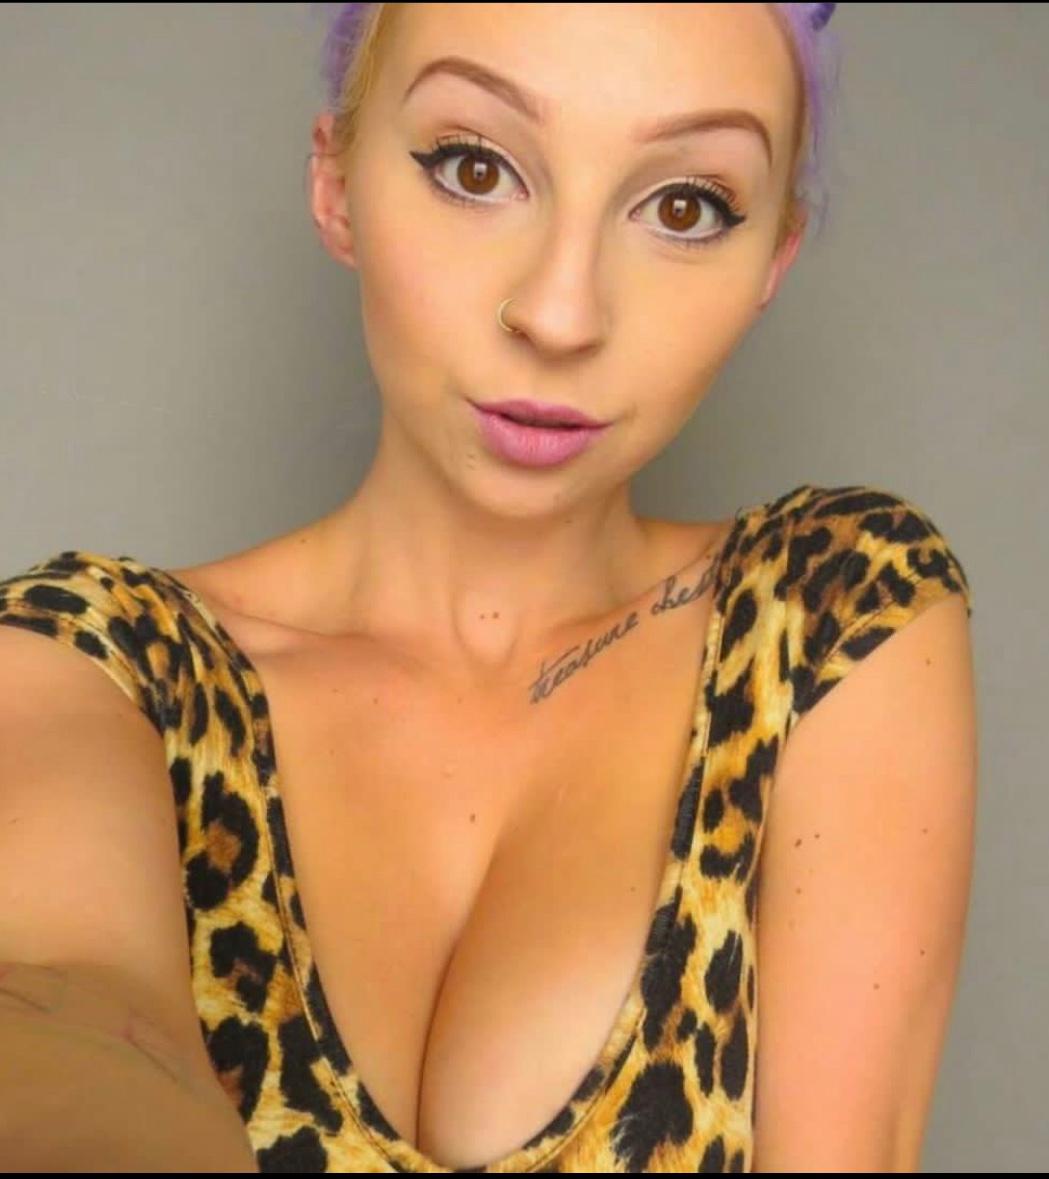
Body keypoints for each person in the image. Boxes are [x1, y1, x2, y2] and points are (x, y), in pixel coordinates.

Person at [0, 3, 977, 1173]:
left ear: (772, 255)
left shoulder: (823, 616)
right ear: (335, 183)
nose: (559, 315)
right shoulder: (91, 663)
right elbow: (67, 1021)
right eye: (474, 167)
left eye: (683, 207)